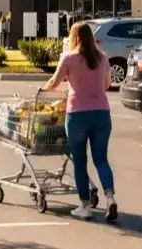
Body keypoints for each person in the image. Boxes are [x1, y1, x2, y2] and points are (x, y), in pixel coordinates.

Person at [42, 21, 118, 222]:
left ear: (73, 38)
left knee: (80, 161)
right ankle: (110, 197)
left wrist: (44, 89)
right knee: (101, 160)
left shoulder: (69, 58)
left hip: (77, 115)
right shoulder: (102, 58)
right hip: (102, 114)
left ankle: (84, 205)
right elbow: (107, 85)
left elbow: (54, 82)